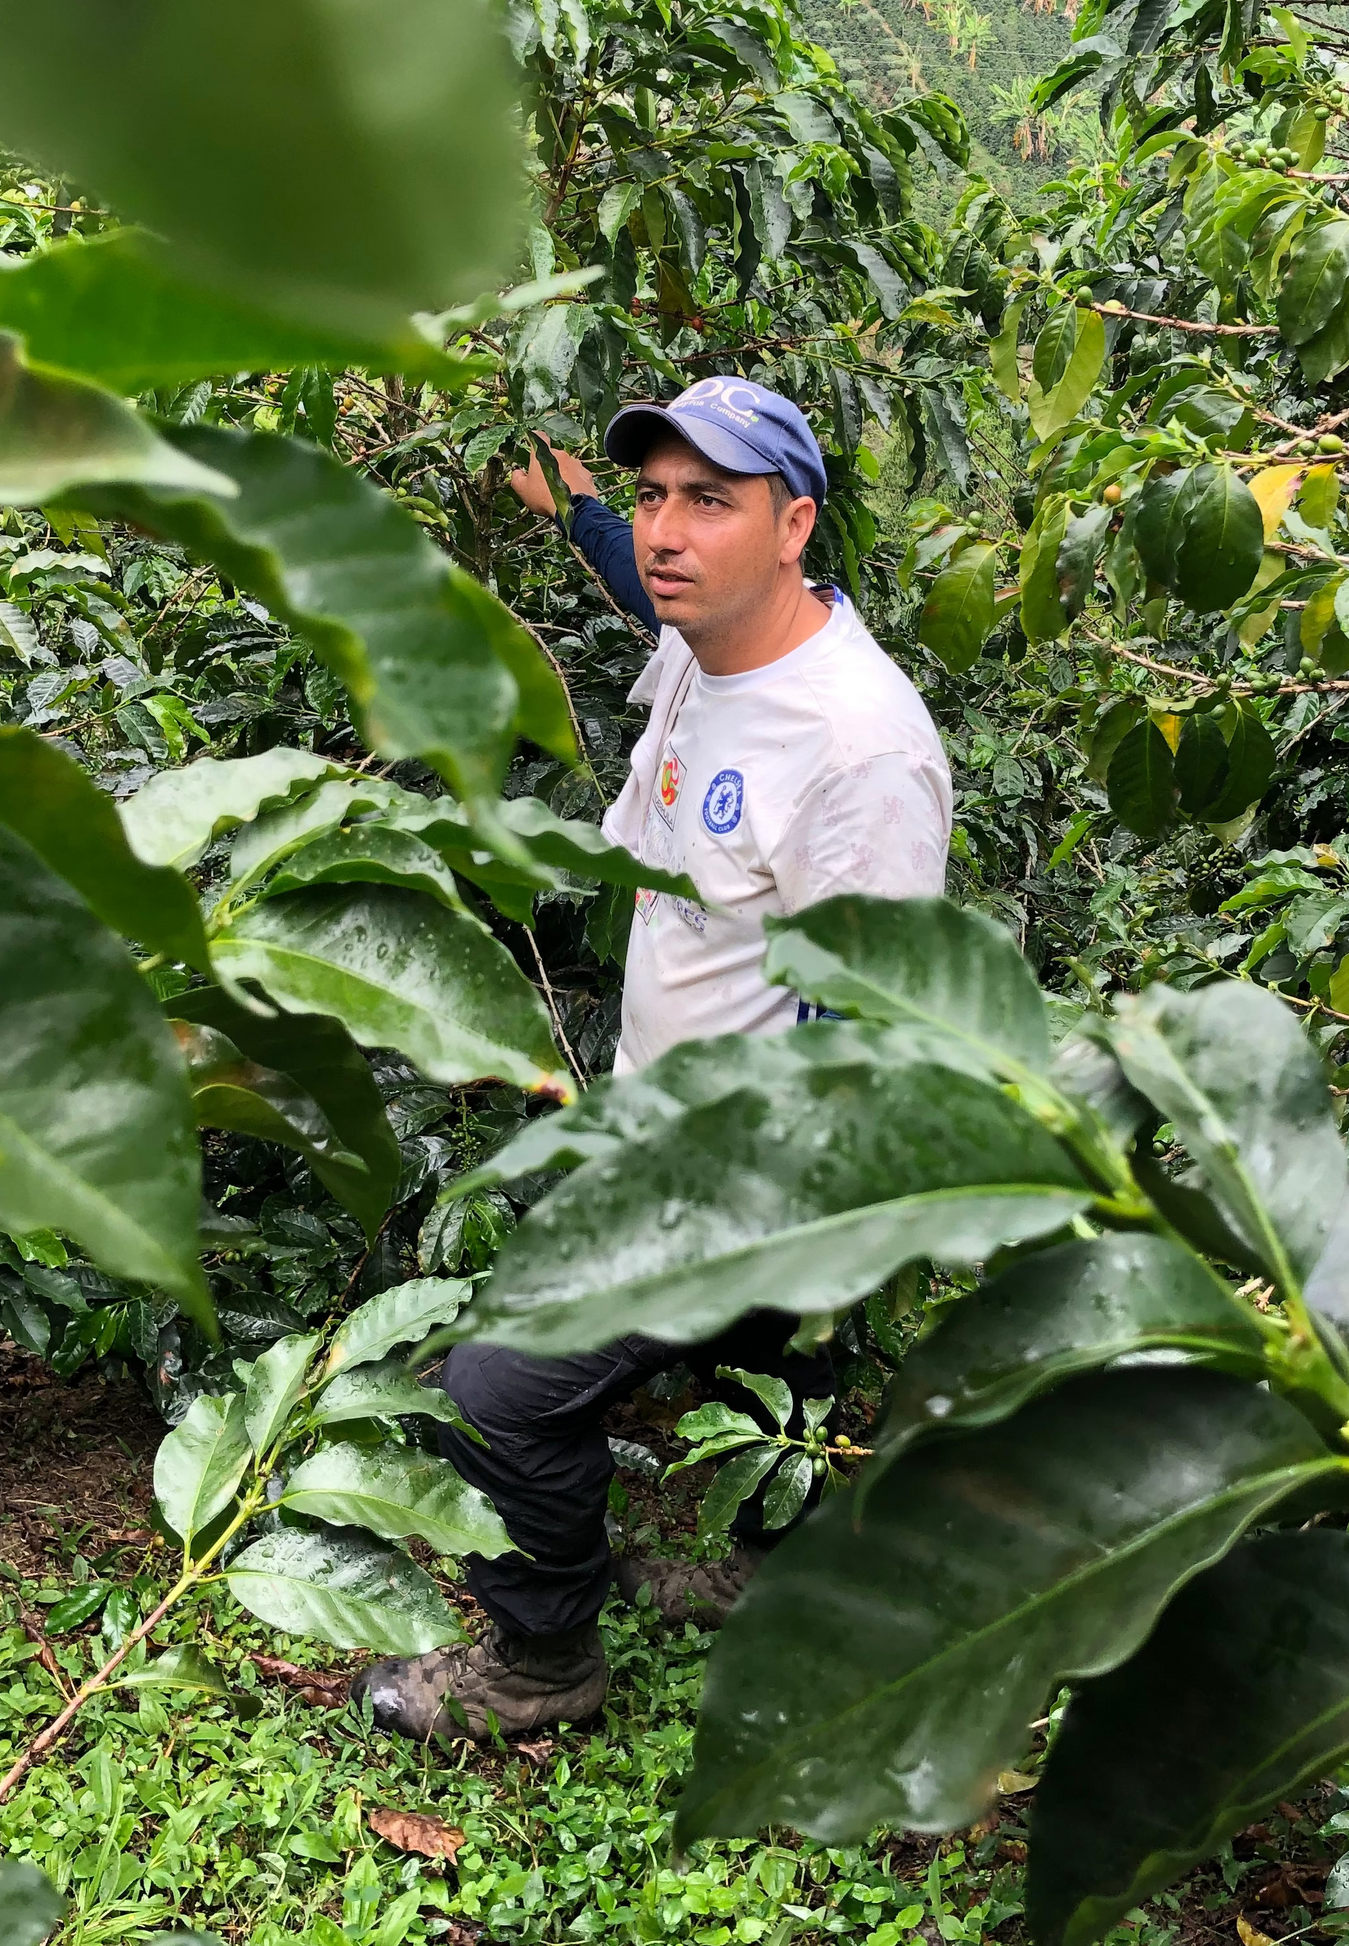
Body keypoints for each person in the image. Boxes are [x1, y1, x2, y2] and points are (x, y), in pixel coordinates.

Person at [351, 378, 953, 1739]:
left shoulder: (856, 752)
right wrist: (560, 489)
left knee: (496, 1393)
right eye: (654, 495)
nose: (668, 533)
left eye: (712, 502)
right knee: (771, 1361)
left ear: (795, 525)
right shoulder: (708, 634)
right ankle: (770, 1570)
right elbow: (638, 573)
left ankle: (542, 1659)